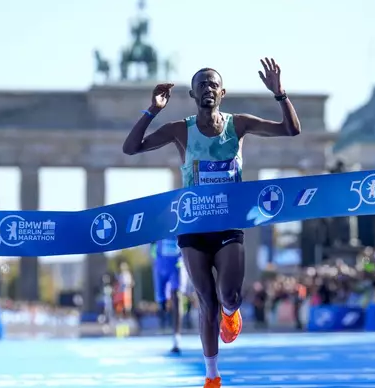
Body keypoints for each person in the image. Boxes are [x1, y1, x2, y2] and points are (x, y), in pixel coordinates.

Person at [122, 58, 301, 388]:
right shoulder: (181, 129)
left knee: (228, 296)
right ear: (192, 93)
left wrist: (280, 94)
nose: (207, 87)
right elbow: (131, 148)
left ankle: (232, 313)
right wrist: (152, 110)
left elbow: (291, 130)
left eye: (212, 83)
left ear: (222, 92)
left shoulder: (239, 125)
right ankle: (212, 376)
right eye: (201, 84)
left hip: (229, 225)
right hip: (192, 226)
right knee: (206, 300)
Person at [150, 238, 183, 353]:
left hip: (176, 264)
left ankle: (176, 337)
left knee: (176, 296)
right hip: (160, 264)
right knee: (162, 303)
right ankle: (164, 315)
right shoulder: (157, 222)